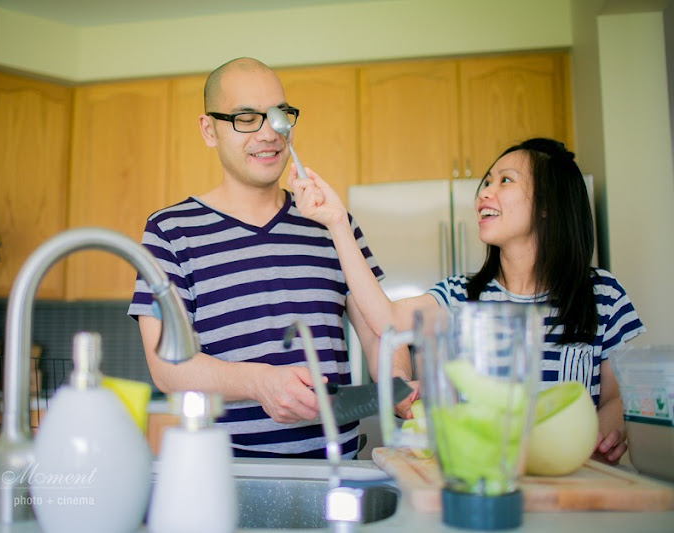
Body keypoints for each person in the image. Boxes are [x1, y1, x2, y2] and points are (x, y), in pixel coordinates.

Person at [288, 137, 645, 464]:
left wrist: (610, 427)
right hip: (483, 483)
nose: (485, 192)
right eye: (487, 182)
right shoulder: (460, 297)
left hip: (574, 488)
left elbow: (617, 397)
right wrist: (337, 223)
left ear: (548, 205)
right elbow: (386, 319)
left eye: (505, 181)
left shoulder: (602, 295)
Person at [128, 57, 411, 458]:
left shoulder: (333, 223)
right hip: (228, 473)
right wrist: (259, 381)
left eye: (279, 116)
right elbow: (168, 366)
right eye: (246, 118)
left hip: (339, 469)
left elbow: (379, 330)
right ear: (209, 130)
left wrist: (397, 381)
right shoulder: (169, 231)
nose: (269, 134)